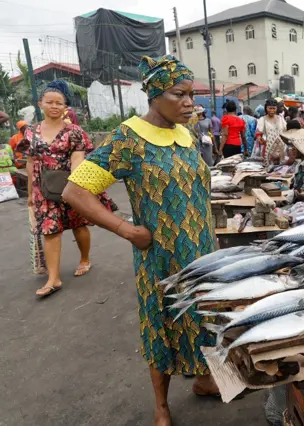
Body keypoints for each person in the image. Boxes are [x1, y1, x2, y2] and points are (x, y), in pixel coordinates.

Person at [63, 55, 219, 426]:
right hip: (160, 255)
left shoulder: (186, 133)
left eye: (191, 94)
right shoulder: (128, 139)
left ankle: (202, 379)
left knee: (202, 316)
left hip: (201, 249)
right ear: (153, 96)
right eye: (178, 94)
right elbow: (75, 191)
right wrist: (125, 229)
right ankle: (162, 405)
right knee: (161, 323)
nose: (188, 102)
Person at [24, 80, 117, 297]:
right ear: (40, 104)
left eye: (60, 103)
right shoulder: (31, 132)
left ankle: (84, 258)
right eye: (50, 102)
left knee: (78, 225)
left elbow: (78, 160)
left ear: (66, 106)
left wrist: (74, 189)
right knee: (50, 230)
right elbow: (30, 162)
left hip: (70, 184)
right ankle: (53, 279)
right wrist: (30, 193)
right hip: (43, 189)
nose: (54, 106)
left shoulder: (74, 131)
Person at [256, 99, 287, 165]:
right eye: (270, 108)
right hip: (268, 148)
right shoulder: (262, 119)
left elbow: (285, 130)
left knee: (279, 169)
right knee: (268, 168)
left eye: (274, 108)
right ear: (266, 108)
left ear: (276, 108)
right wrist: (259, 139)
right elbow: (258, 133)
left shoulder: (280, 118)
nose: (272, 110)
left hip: (280, 149)